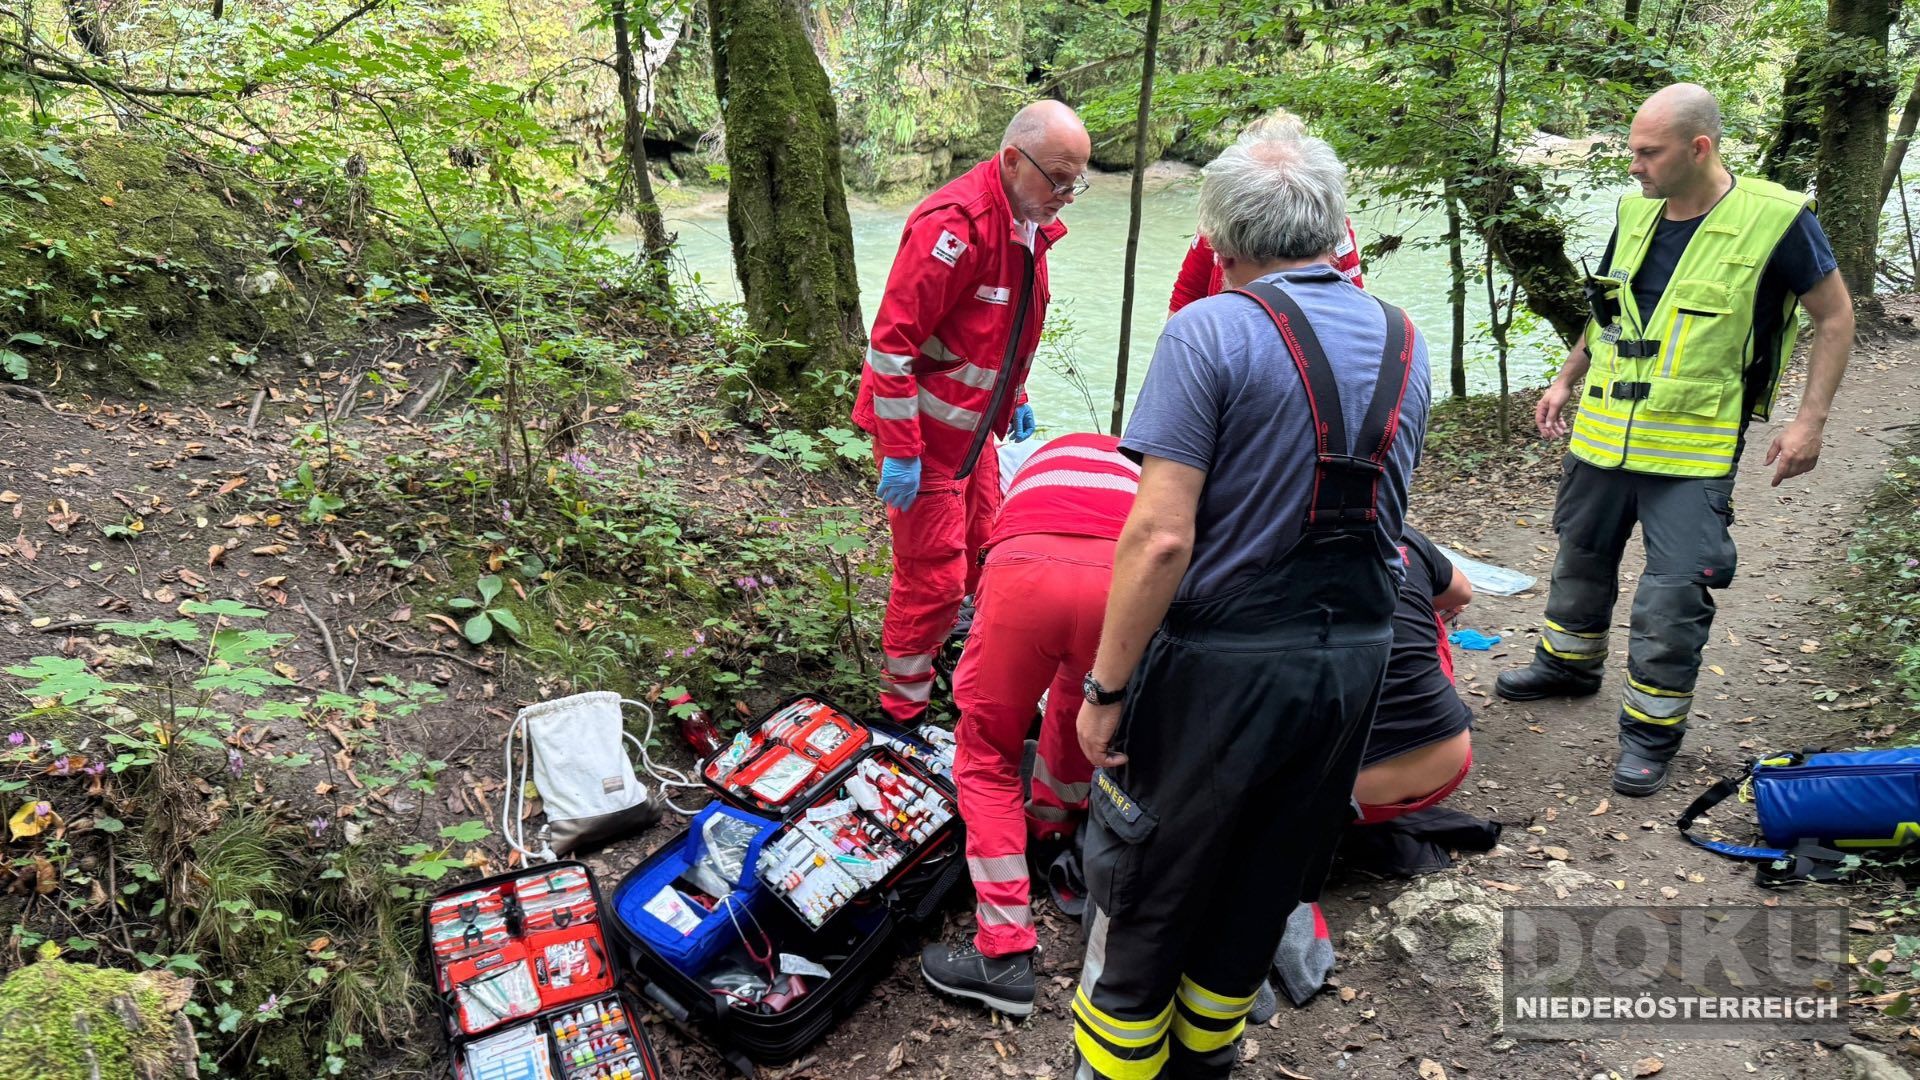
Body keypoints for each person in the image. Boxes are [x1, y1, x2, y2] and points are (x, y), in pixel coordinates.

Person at [1069, 119, 1431, 1078]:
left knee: (1151, 889)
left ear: (1219, 242)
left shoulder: (1209, 331)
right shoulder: (1405, 337)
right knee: (1268, 872)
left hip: (1223, 674)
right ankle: (1209, 1061)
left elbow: (1160, 536)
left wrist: (1105, 692)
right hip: (1354, 662)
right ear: (1337, 225)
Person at [1494, 83, 1853, 797]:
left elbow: (1835, 318)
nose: (1634, 165)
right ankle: (1568, 665)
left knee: (1673, 594)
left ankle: (1650, 734)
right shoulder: (1634, 213)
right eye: (1632, 150)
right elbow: (1609, 311)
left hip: (1690, 449)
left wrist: (1809, 421)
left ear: (1699, 148)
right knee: (1581, 553)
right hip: (1601, 433)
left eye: (1647, 152)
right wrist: (1566, 378)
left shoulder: (1777, 221)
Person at [853, 100, 1093, 726]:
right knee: (930, 576)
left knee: (983, 550)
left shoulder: (1028, 222)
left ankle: (949, 661)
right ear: (1013, 161)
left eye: (1078, 181)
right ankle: (900, 711)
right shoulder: (954, 224)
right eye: (1059, 179)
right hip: (924, 438)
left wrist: (1015, 397)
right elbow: (891, 345)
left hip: (973, 433)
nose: (1068, 195)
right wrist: (903, 449)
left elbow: (1001, 330)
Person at [918, 432, 1135, 1016]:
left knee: (987, 750)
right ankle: (1052, 832)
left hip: (1026, 570)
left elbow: (984, 524)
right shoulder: (1148, 462)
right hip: (1121, 576)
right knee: (1079, 701)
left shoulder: (1028, 454)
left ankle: (1004, 947)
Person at [1168, 112, 1363, 317]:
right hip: (1230, 324)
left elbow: (1351, 296)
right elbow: (1188, 292)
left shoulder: (1329, 225)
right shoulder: (1220, 222)